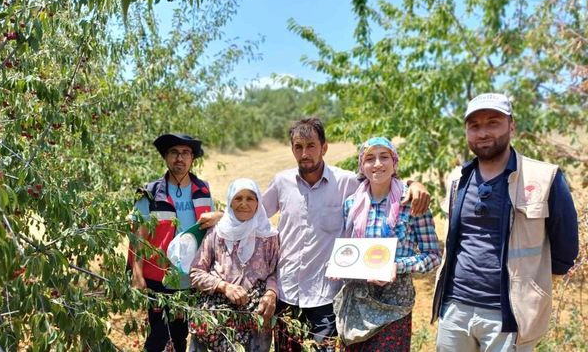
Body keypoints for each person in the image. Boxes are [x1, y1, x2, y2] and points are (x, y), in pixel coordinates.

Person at [262, 118, 431, 351]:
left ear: (324, 147)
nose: (304, 153)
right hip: (287, 293)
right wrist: (224, 216)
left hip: (326, 298)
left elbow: (382, 177)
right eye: (298, 147)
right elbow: (254, 214)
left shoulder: (346, 183)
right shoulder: (282, 182)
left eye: (311, 145)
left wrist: (415, 183)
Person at [431, 93, 579, 351]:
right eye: (474, 126)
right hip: (455, 309)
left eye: (493, 122)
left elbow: (565, 250)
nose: (483, 132)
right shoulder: (458, 179)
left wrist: (532, 288)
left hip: (510, 314)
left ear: (512, 125)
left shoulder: (545, 178)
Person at [336, 137, 442, 351]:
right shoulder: (351, 204)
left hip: (395, 306)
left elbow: (433, 256)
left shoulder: (412, 202)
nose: (377, 164)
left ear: (394, 163)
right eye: (369, 158)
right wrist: (343, 265)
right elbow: (352, 251)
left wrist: (397, 266)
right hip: (358, 302)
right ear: (361, 166)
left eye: (384, 157)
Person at [128, 133, 222, 352]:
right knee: (159, 338)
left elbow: (211, 228)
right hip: (159, 277)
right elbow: (139, 232)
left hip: (193, 277)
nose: (180, 158)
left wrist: (218, 216)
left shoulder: (203, 189)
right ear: (166, 157)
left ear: (192, 158)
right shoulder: (150, 192)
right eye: (174, 153)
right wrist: (137, 271)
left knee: (181, 335)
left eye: (185, 153)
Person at [190, 178, 280, 352]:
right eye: (238, 198)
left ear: (258, 203)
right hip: (215, 315)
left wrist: (270, 293)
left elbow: (276, 271)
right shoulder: (217, 233)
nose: (244, 204)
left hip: (256, 316)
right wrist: (223, 287)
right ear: (230, 202)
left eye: (250, 198)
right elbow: (196, 272)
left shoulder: (269, 236)